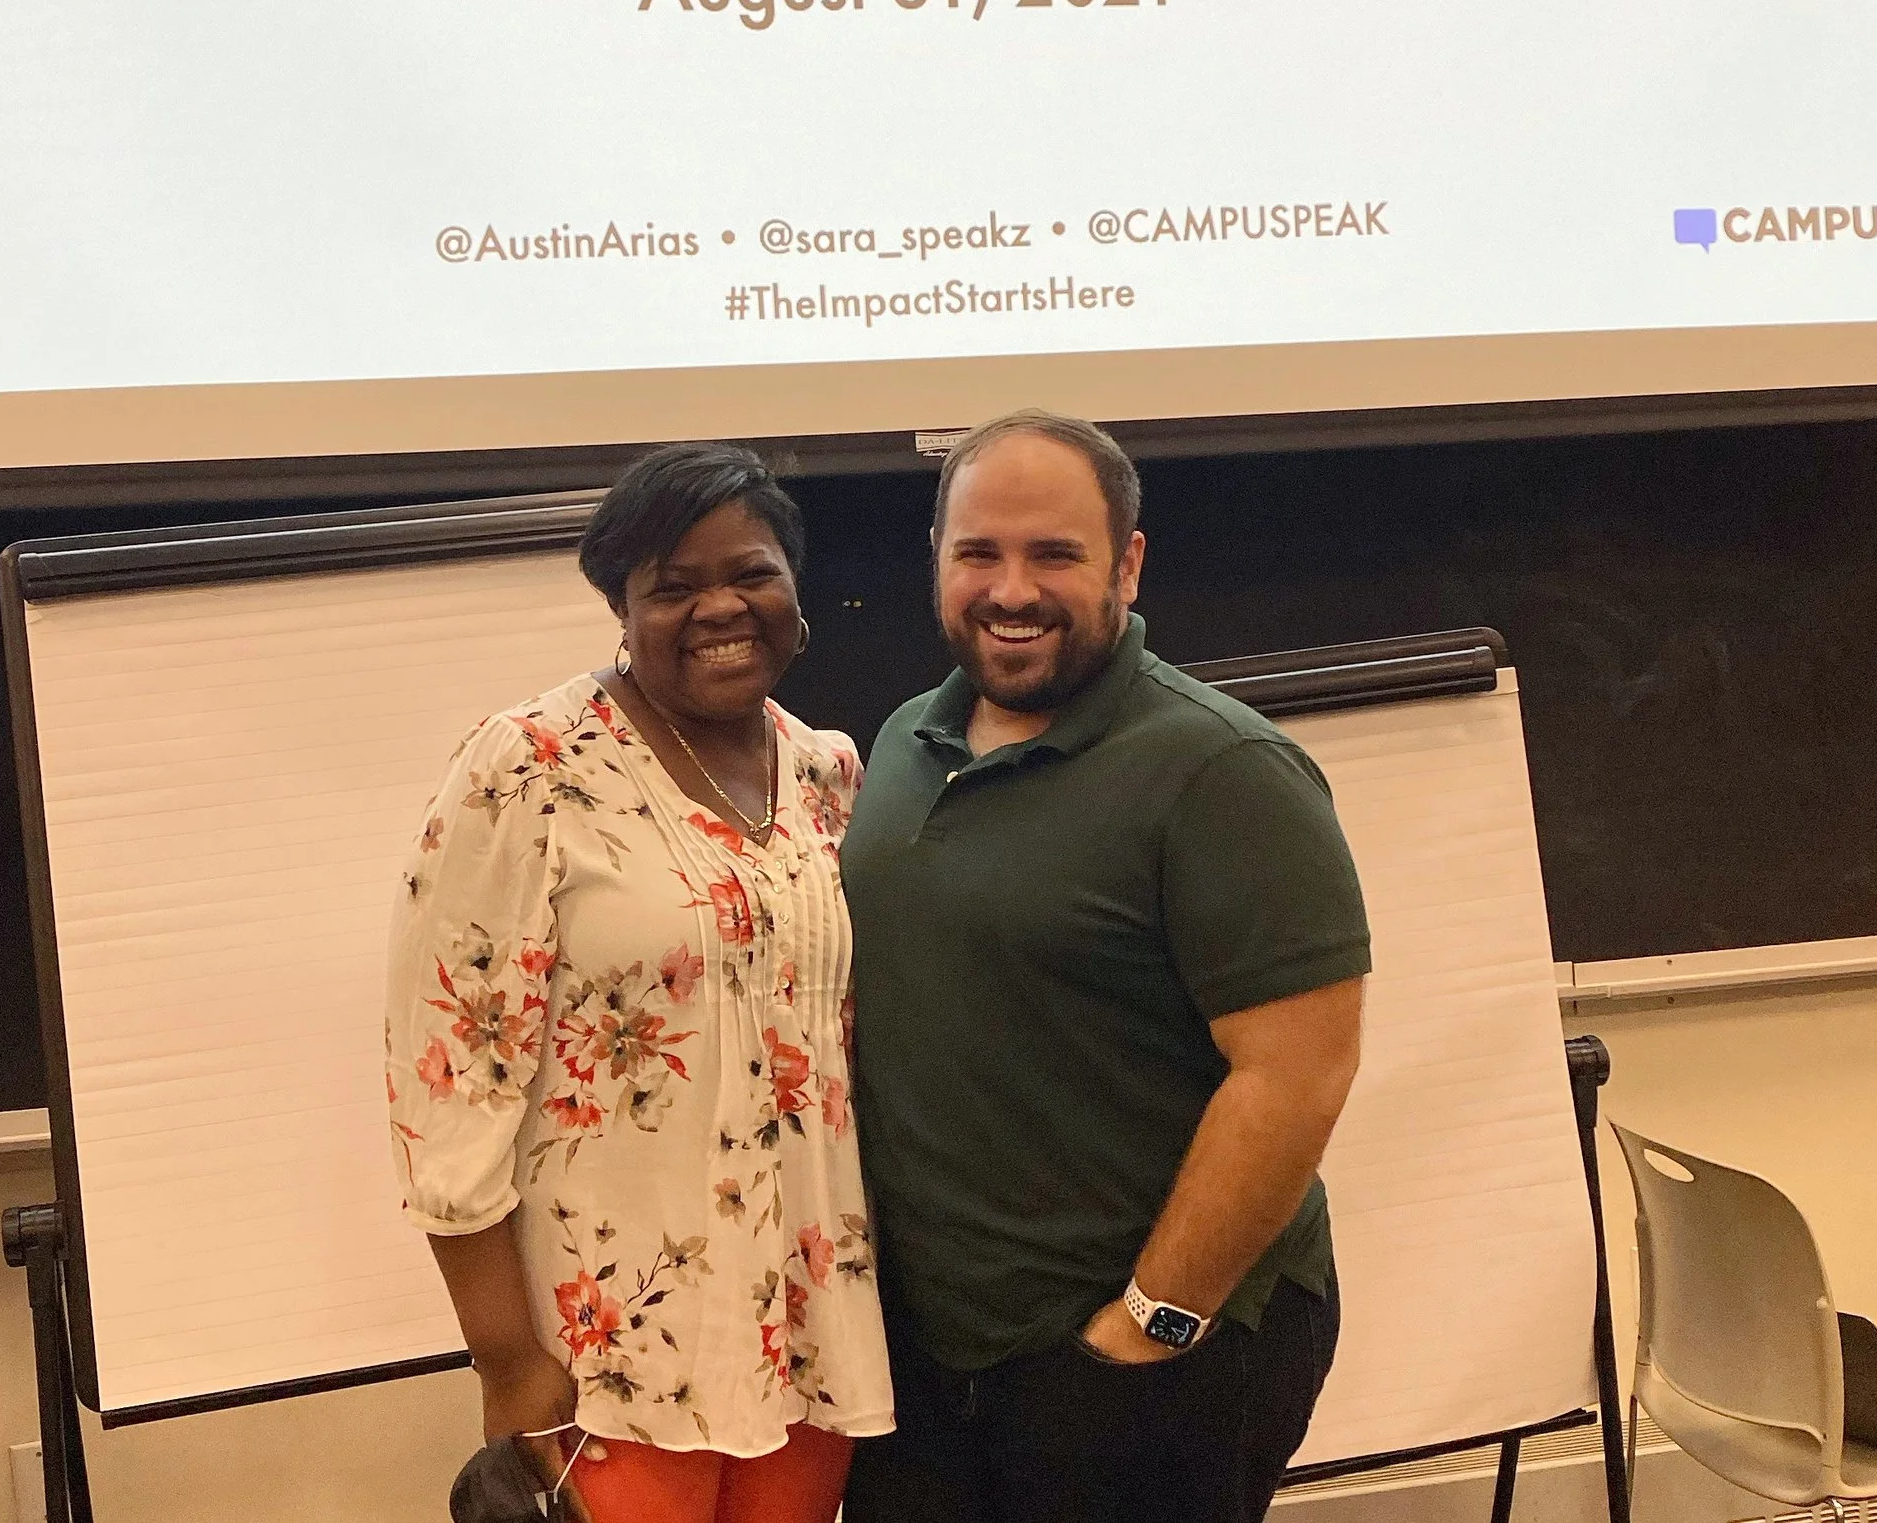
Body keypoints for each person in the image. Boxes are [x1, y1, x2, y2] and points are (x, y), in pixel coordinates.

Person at [840, 410, 1371, 1523]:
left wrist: (1150, 1325)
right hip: (931, 1362)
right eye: (978, 551)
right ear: (936, 560)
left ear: (1127, 564)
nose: (1011, 588)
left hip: (1141, 1354)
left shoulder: (1224, 770)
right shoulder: (898, 747)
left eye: (1054, 553)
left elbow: (1295, 1076)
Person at [387, 442, 892, 1523]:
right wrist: (507, 1363)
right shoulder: (527, 765)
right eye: (674, 585)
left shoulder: (828, 774)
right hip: (611, 1351)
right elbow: (451, 1082)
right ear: (623, 606)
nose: (720, 606)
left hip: (810, 1328)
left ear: (795, 590)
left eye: (750, 572)